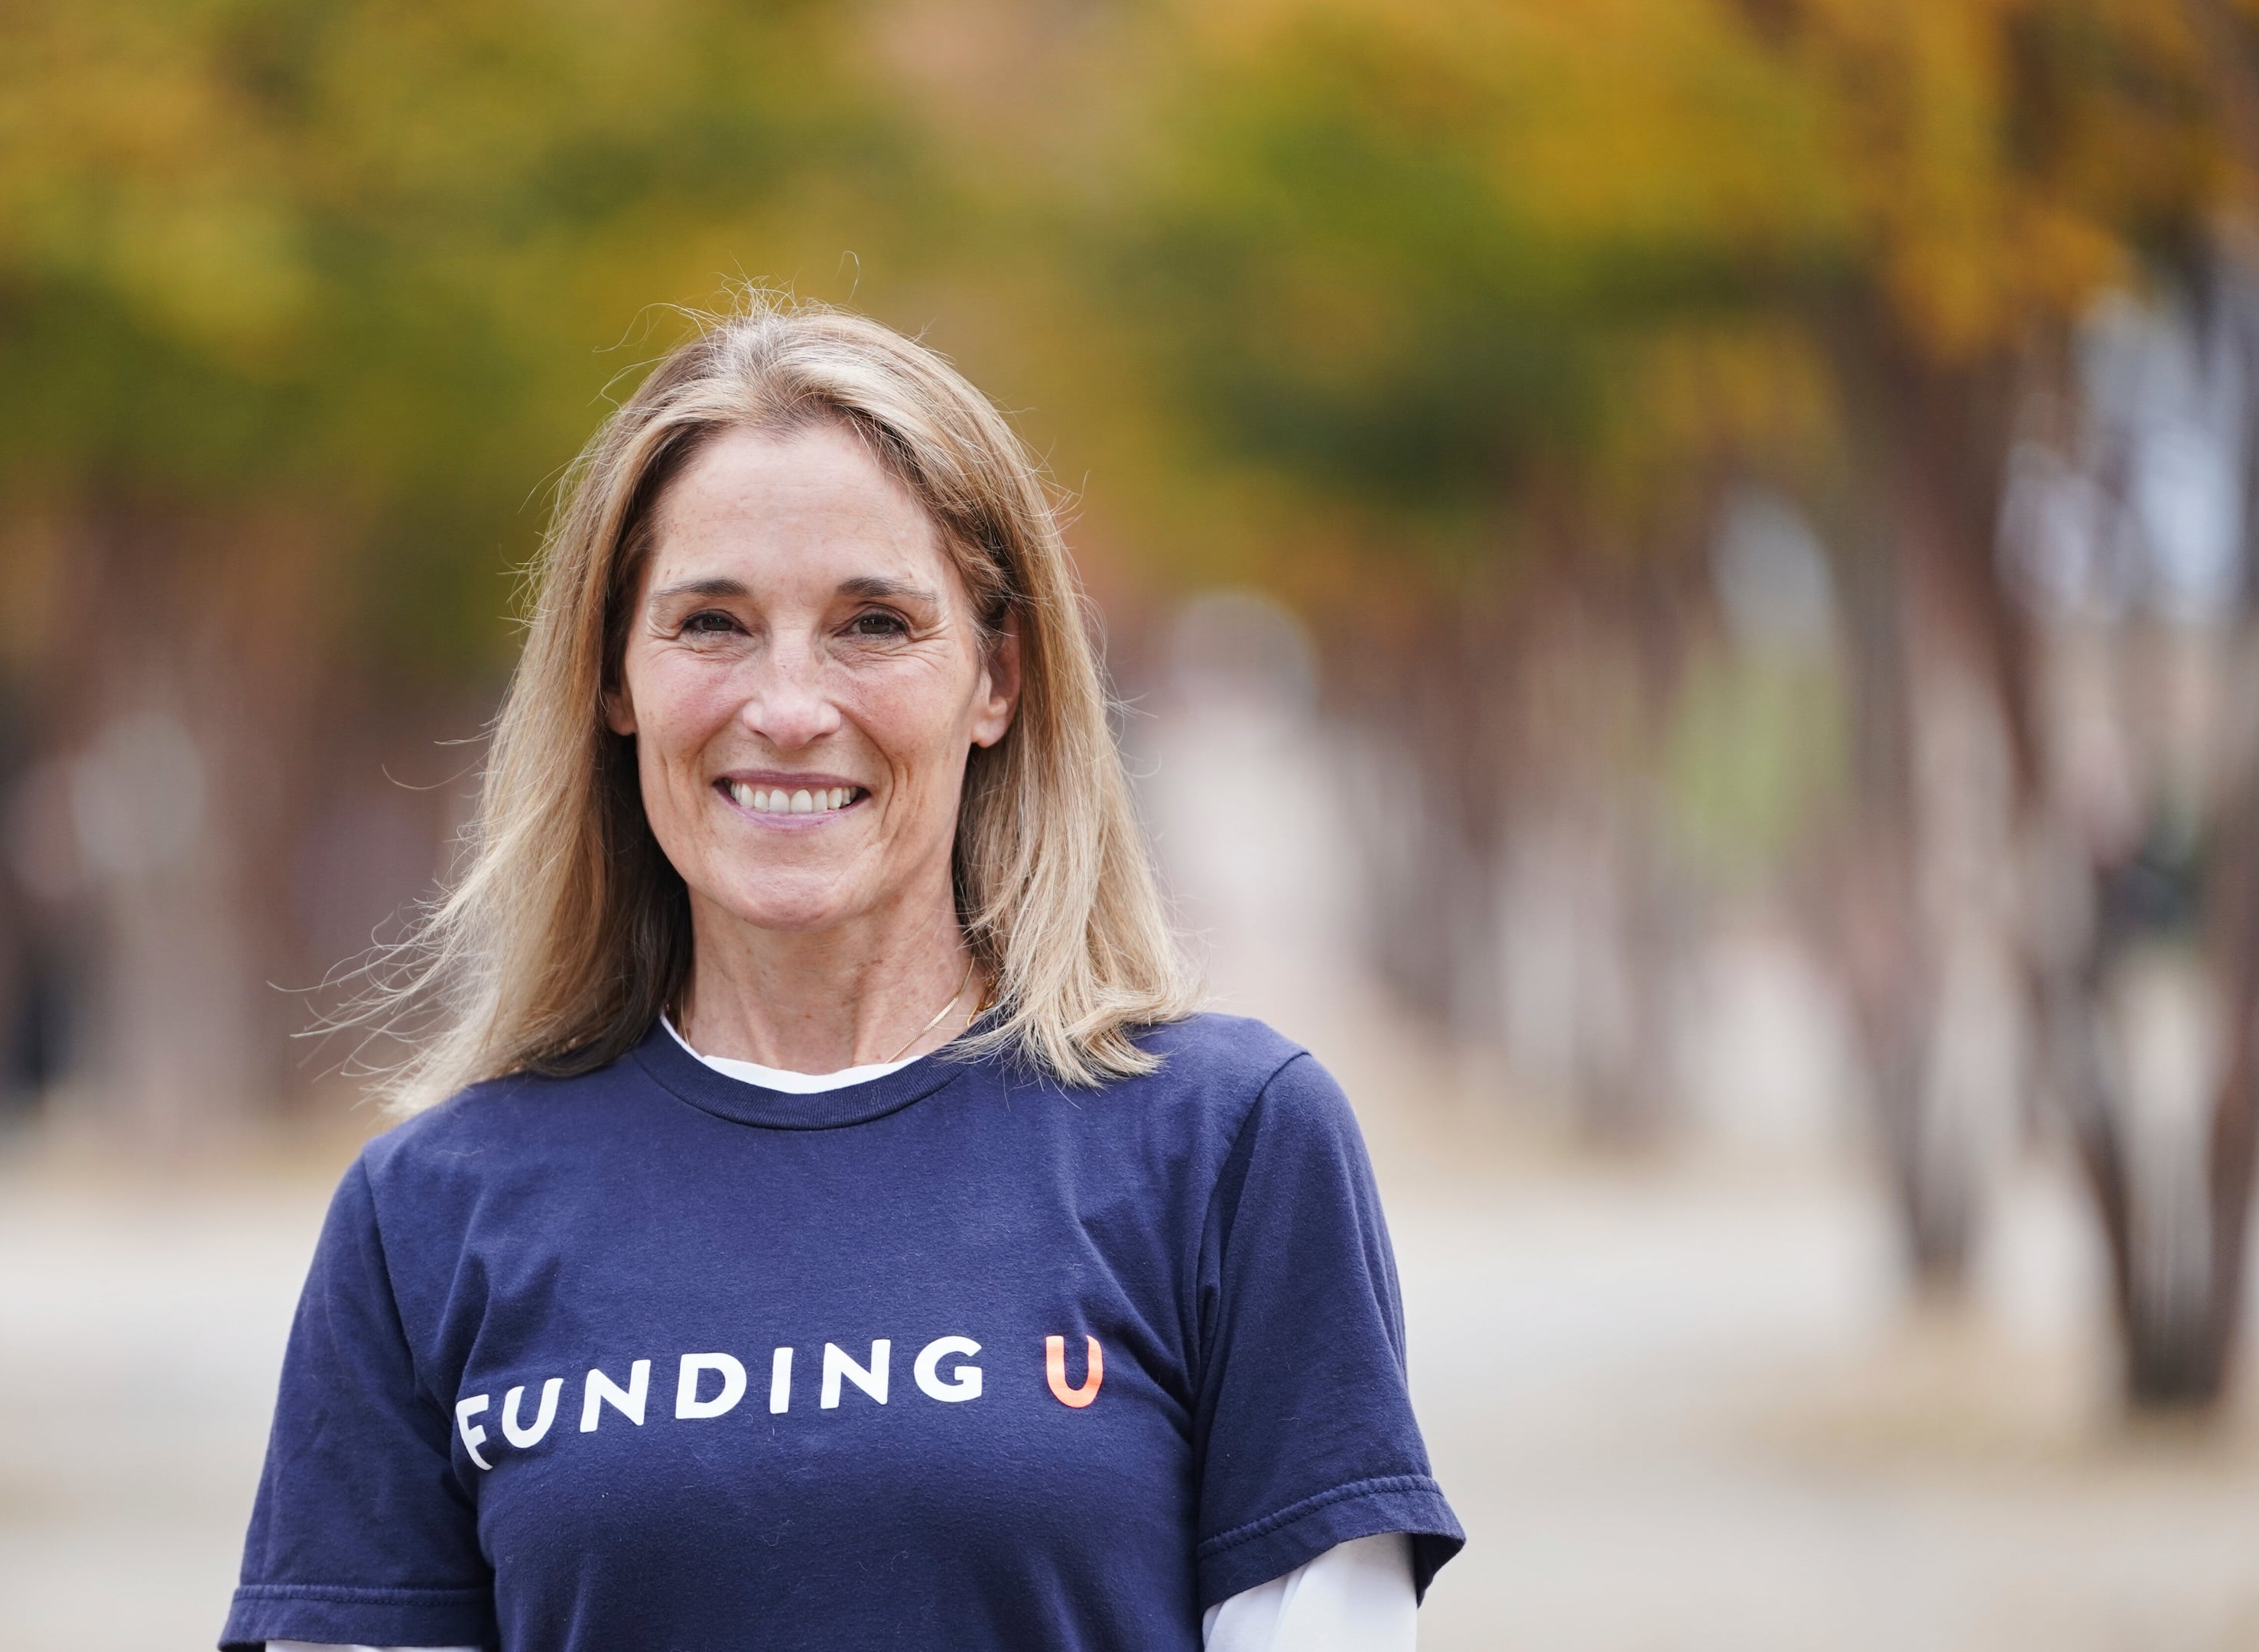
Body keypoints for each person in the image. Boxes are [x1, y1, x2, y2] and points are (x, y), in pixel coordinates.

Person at [223, 298, 1461, 1652]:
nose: (792, 707)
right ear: (613, 679)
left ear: (998, 679)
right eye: (712, 623)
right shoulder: (428, 1219)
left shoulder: (1228, 1149)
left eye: (874, 624)